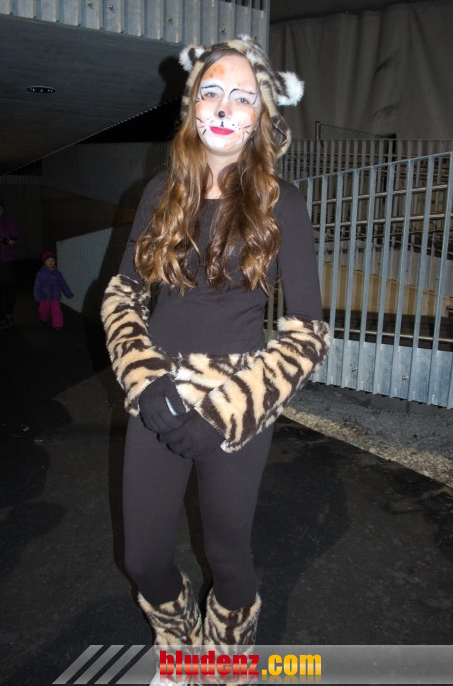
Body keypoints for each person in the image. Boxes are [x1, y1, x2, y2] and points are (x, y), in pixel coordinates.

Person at [101, 34, 330, 659]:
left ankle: (226, 661)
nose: (226, 107)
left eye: (243, 97)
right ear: (192, 106)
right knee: (143, 558)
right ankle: (180, 650)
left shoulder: (284, 203)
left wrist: (226, 414)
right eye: (212, 92)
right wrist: (146, 382)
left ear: (260, 117)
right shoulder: (160, 193)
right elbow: (123, 294)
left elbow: (307, 330)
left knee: (228, 558)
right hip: (158, 394)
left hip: (238, 404)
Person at [33, 251, 73, 330]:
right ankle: (44, 318)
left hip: (55, 297)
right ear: (44, 262)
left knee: (56, 310)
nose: (50, 262)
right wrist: (37, 296)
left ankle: (58, 325)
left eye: (52, 260)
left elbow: (63, 284)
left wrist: (68, 293)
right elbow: (37, 286)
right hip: (44, 297)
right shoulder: (40, 274)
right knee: (44, 310)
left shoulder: (57, 273)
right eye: (48, 260)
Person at [0, 198, 20, 329]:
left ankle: (8, 314)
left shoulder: (8, 222)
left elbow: (18, 239)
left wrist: (13, 242)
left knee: (11, 287)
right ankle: (1, 317)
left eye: (1, 209)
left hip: (8, 261)